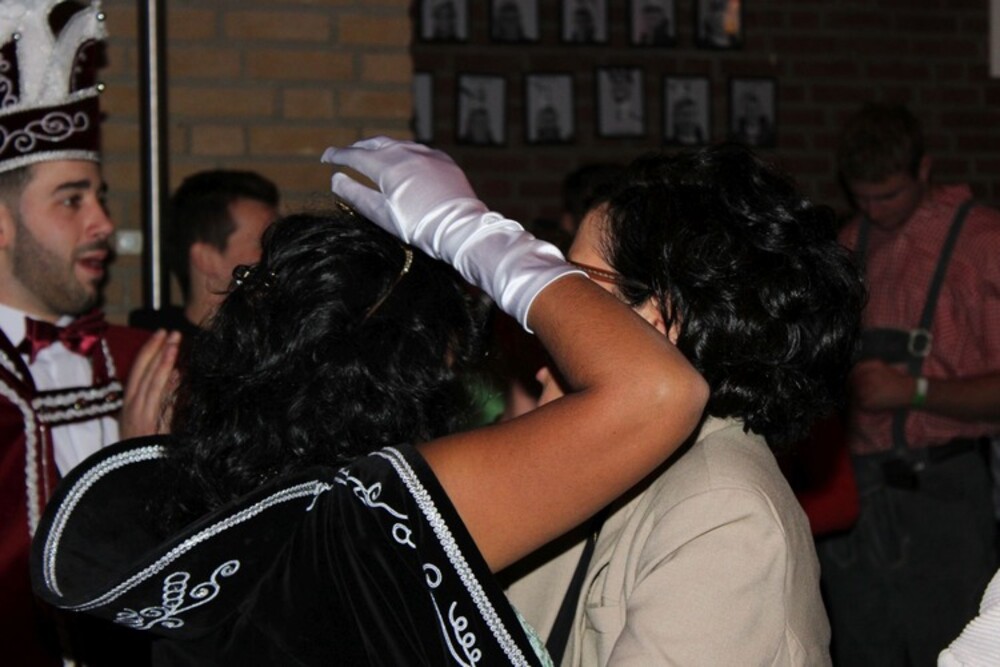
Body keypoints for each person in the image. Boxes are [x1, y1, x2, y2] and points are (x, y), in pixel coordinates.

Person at [30, 137, 708, 665]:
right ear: (412, 372)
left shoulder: (221, 527)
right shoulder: (362, 524)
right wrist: (474, 234)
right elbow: (659, 391)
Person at [504, 142, 864, 666]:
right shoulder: (609, 455)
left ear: (661, 320)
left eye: (578, 284)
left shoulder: (724, 512)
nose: (559, 308)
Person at [0, 2, 177, 665]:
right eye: (72, 200)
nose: (102, 223)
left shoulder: (141, 362)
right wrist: (126, 476)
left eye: (100, 197)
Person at [818, 102, 1000, 666]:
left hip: (945, 491)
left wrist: (915, 392)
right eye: (863, 198)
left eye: (889, 195)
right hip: (860, 493)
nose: (875, 210)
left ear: (924, 169)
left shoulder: (984, 243)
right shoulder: (853, 239)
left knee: (951, 649)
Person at [129, 169, 280, 339]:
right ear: (206, 259)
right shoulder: (157, 349)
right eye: (263, 244)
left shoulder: (279, 343)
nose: (278, 256)